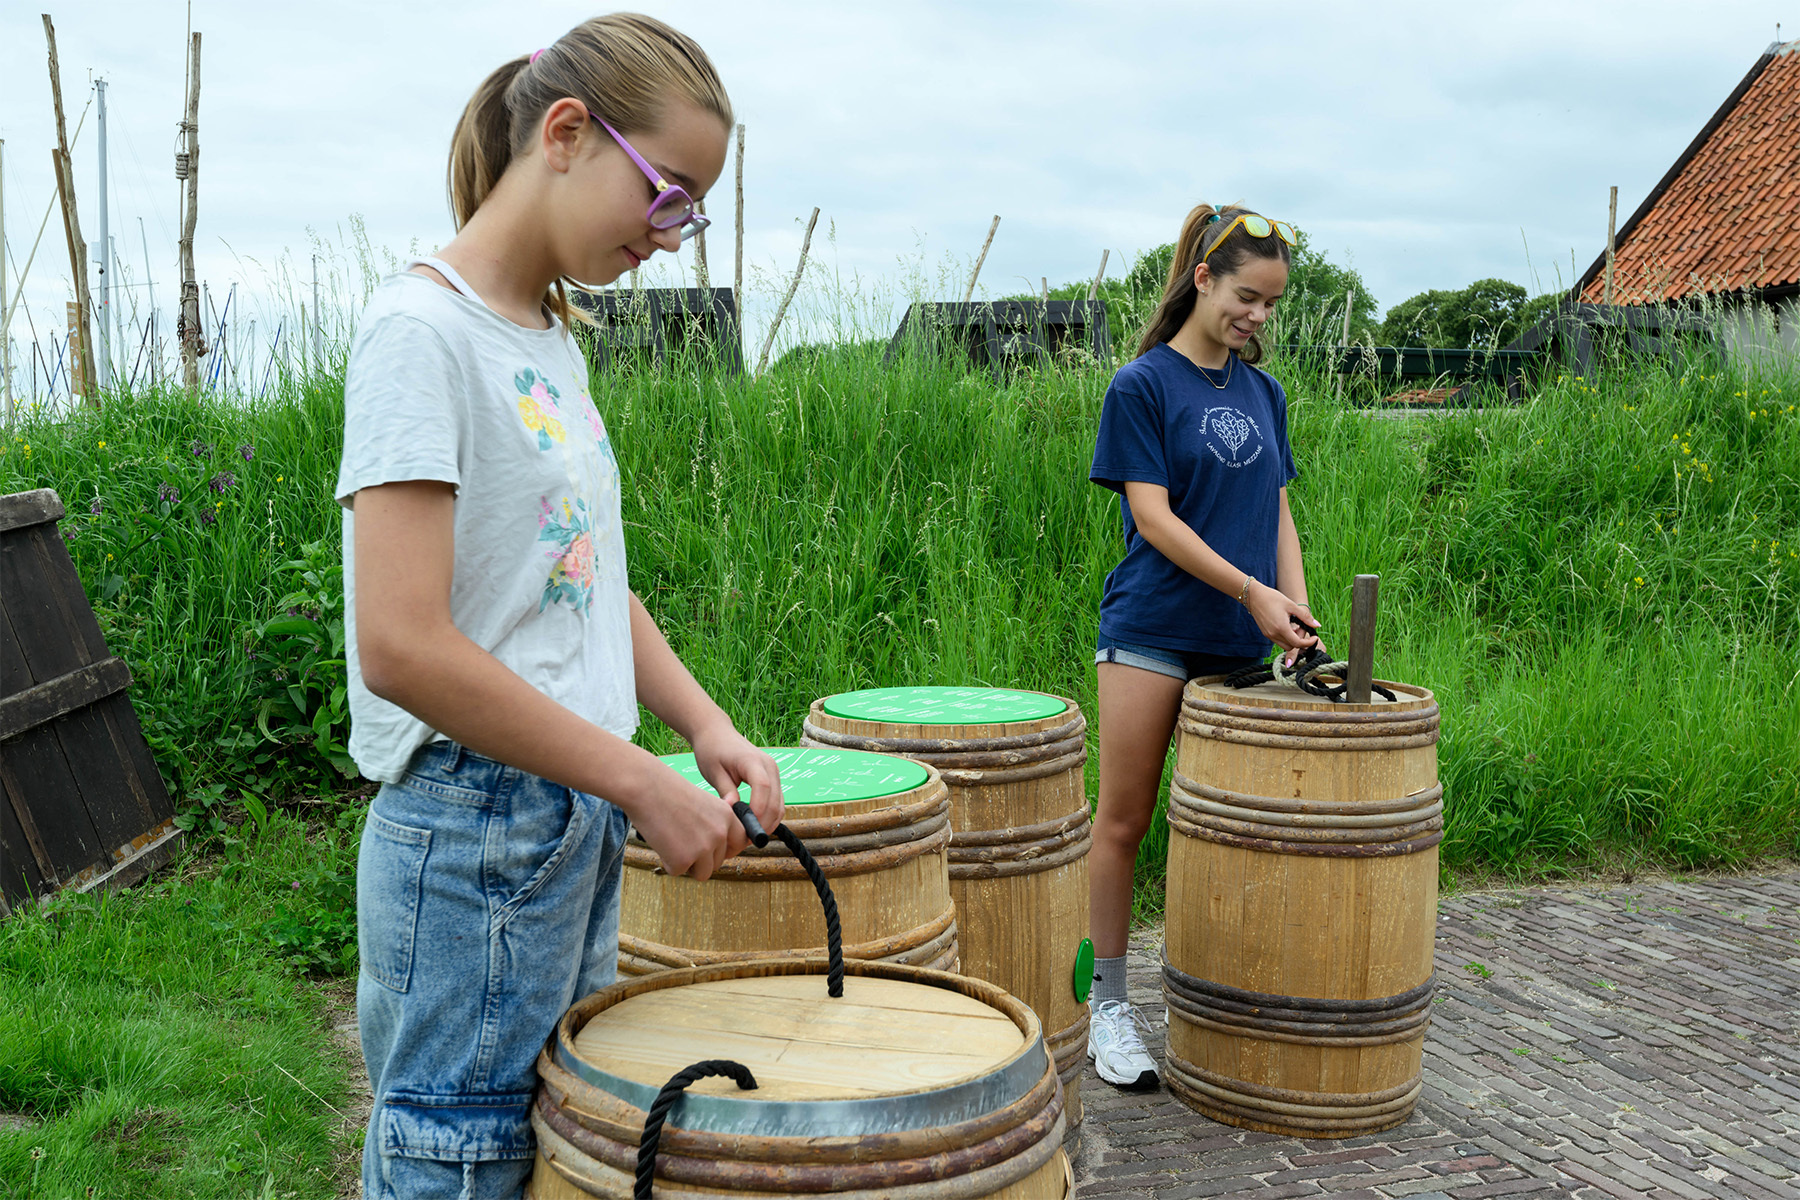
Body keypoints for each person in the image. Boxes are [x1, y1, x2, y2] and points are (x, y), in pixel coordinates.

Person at [336, 16, 783, 1197]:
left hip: (565, 806)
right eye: (669, 195)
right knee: (455, 1150)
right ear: (569, 134)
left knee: (551, 1141)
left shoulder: (547, 340)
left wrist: (700, 726)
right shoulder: (420, 337)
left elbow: (579, 581)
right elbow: (400, 646)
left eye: (689, 211)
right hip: (475, 820)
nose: (672, 234)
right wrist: (637, 781)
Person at [1084, 204, 1321, 1089]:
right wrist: (1252, 590)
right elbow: (1153, 518)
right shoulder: (1141, 386)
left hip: (1242, 643)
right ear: (1203, 280)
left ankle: (1226, 1003)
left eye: (1271, 305)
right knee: (1124, 822)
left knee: (1234, 834)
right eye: (1247, 297)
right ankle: (1106, 1009)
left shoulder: (1265, 394)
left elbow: (1279, 511)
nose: (1258, 317)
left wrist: (1292, 606)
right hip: (1151, 631)